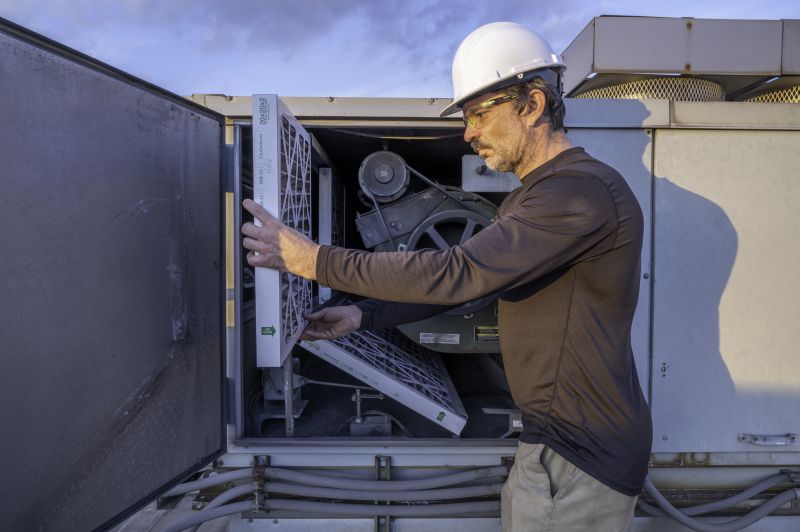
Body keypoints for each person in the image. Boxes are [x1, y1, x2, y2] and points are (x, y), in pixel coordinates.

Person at [241, 21, 652, 532]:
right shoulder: (540, 195)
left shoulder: (579, 193)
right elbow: (470, 289)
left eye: (480, 113)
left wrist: (313, 261)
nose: (469, 132)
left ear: (533, 105)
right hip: (556, 447)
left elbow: (458, 274)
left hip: (578, 459)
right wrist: (359, 315)